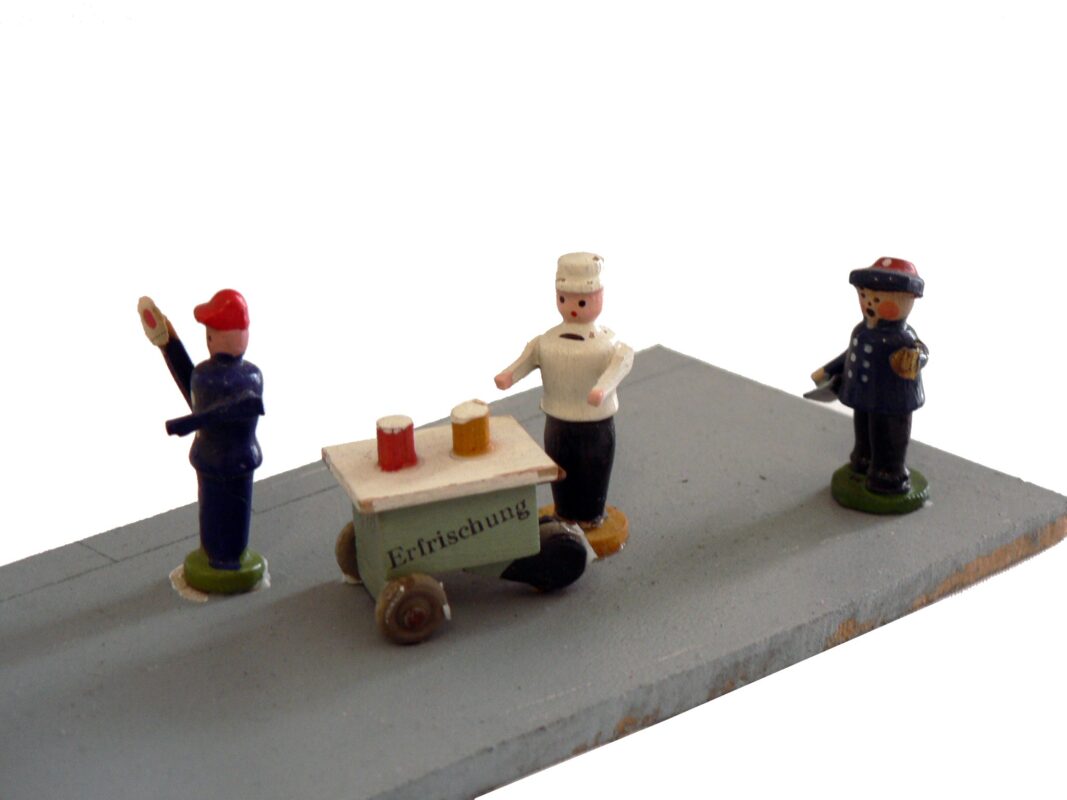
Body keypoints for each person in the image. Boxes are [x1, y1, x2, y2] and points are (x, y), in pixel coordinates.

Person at [495, 252, 633, 555]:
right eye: (564, 299)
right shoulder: (547, 341)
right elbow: (526, 360)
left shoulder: (608, 343)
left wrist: (602, 389)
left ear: (599, 297)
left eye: (582, 302)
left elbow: (619, 366)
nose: (572, 308)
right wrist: (508, 376)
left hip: (596, 426)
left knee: (592, 472)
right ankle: (565, 514)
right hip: (557, 422)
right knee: (561, 469)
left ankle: (592, 516)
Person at [138, 289, 266, 593]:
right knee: (225, 514)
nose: (209, 339)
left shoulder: (211, 378)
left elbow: (195, 392)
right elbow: (195, 393)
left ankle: (226, 560)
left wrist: (169, 346)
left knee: (222, 515)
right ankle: (223, 558)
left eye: (212, 333)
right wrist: (169, 345)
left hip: (218, 458)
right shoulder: (250, 376)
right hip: (235, 458)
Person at [810, 257, 928, 509]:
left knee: (888, 435)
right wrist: (828, 371)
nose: (869, 305)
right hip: (863, 395)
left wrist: (917, 359)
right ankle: (863, 459)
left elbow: (921, 353)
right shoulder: (862, 332)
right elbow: (849, 355)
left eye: (878, 299)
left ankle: (889, 474)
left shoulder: (903, 338)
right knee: (863, 428)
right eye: (864, 297)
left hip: (893, 401)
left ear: (906, 300)